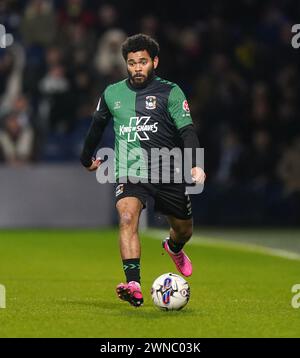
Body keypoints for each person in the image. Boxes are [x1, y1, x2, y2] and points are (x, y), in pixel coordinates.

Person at [80, 34, 205, 307]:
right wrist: (85, 157)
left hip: (167, 169)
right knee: (126, 217)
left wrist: (196, 164)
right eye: (132, 63)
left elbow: (187, 131)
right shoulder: (112, 93)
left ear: (155, 62)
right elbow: (96, 127)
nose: (137, 68)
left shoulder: (171, 92)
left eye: (143, 62)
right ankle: (133, 284)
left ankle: (173, 247)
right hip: (130, 168)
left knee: (184, 230)